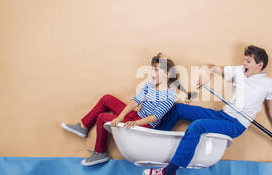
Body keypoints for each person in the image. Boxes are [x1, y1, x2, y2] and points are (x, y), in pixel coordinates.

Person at [142, 45, 272, 175]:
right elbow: (211, 67)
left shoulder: (268, 84)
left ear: (260, 65)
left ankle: (169, 172)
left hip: (235, 124)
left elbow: (271, 110)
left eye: (249, 61)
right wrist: (208, 73)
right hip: (222, 115)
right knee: (178, 109)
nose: (244, 63)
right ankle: (155, 139)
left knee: (197, 126)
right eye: (245, 60)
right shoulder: (239, 71)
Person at [61, 53, 190, 166]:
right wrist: (121, 117)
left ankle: (100, 152)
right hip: (135, 116)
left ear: (167, 74)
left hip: (146, 125)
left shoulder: (170, 95)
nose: (152, 73)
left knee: (102, 117)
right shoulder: (150, 85)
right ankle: (83, 126)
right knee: (107, 98)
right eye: (152, 70)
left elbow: (155, 117)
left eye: (156, 70)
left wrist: (135, 123)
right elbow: (135, 102)